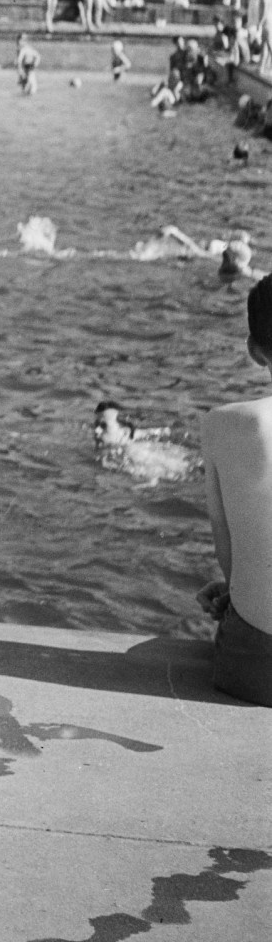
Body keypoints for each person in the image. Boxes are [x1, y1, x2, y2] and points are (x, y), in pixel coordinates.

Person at [199, 275, 272, 704]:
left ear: (254, 350)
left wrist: (239, 592)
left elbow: (228, 554)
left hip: (256, 668)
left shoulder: (224, 424)